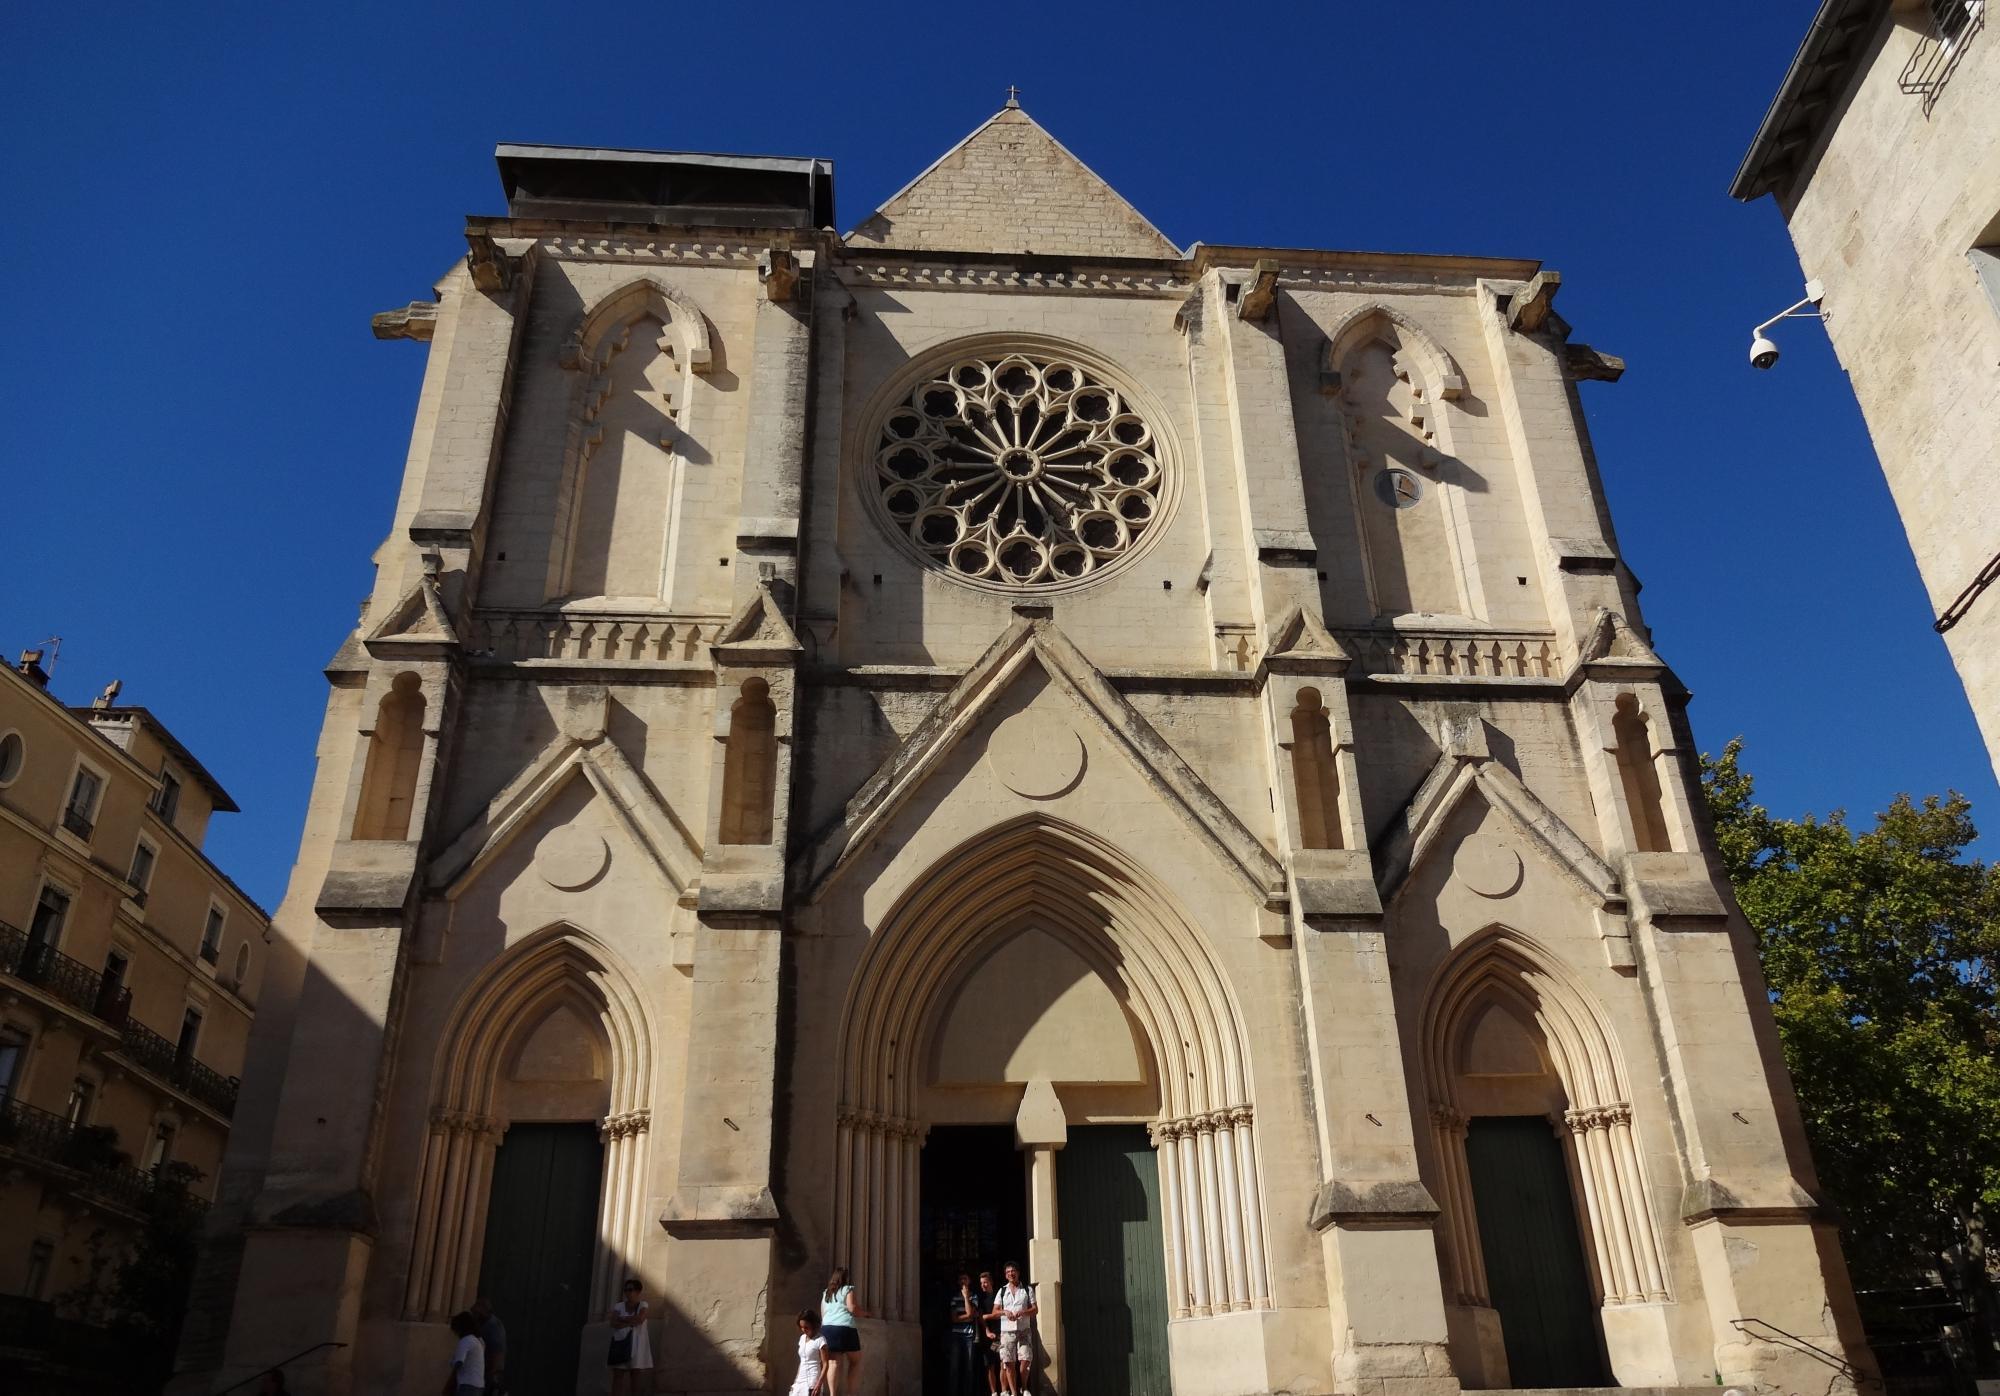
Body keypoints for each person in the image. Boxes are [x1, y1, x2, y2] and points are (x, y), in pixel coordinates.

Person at [819, 1265, 866, 1396]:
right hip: (845, 1328)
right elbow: (852, 1308)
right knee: (855, 1361)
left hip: (827, 1328)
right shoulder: (847, 1290)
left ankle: (833, 1394)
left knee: (833, 1362)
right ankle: (850, 1393)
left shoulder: (826, 1293)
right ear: (845, 1279)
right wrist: (865, 1313)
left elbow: (823, 1313)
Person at [992, 1263, 1038, 1395]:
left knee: (1025, 1360)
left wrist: (1023, 1312)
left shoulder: (1027, 1290)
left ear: (1018, 1272)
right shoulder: (1002, 1291)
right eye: (1008, 1272)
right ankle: (1014, 1392)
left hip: (1024, 1330)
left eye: (1013, 1271)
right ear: (1005, 1275)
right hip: (1007, 1331)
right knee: (1008, 1363)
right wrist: (1005, 1312)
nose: (1011, 1274)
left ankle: (1024, 1387)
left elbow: (1035, 1309)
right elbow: (994, 1311)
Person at [608, 1277, 654, 1394]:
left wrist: (622, 1319)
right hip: (621, 1343)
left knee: (636, 1374)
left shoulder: (643, 1305)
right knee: (618, 1374)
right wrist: (630, 1321)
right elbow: (613, 1323)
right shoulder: (619, 1306)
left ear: (638, 1292)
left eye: (630, 1289)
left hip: (637, 1344)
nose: (627, 1292)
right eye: (626, 1290)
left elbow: (640, 1319)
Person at [946, 1271, 980, 1396]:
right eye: (960, 1279)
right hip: (956, 1335)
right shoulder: (954, 1298)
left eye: (965, 1279)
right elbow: (954, 1318)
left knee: (969, 1368)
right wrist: (968, 1315)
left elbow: (971, 1315)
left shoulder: (974, 1297)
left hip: (969, 1336)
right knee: (954, 1368)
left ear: (969, 1281)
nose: (963, 1281)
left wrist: (966, 1297)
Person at [444, 1311, 485, 1396]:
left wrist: (449, 1384)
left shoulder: (466, 1340)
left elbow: (459, 1363)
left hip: (467, 1385)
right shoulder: (478, 1341)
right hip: (478, 1385)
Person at [471, 1297, 507, 1396]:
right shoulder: (486, 1324)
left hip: (489, 1375)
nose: (474, 1315)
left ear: (484, 1311)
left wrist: (490, 1375)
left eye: (476, 1312)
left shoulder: (493, 1327)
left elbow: (497, 1354)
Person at [972, 1271, 1001, 1393]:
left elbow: (1002, 1313)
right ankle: (994, 1392)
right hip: (987, 1338)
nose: (983, 1285)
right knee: (990, 1365)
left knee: (1004, 1364)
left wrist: (989, 1316)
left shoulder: (999, 1296)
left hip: (1001, 1335)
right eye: (981, 1283)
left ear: (991, 1282)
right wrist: (988, 1331)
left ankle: (1004, 1390)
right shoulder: (980, 1299)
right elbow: (979, 1317)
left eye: (985, 1282)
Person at [791, 1309, 829, 1396]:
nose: (803, 1330)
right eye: (802, 1327)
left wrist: (819, 1384)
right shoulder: (802, 1339)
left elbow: (825, 1364)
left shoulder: (820, 1340)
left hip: (813, 1381)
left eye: (806, 1327)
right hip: (800, 1380)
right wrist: (795, 1381)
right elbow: (802, 1361)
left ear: (813, 1325)